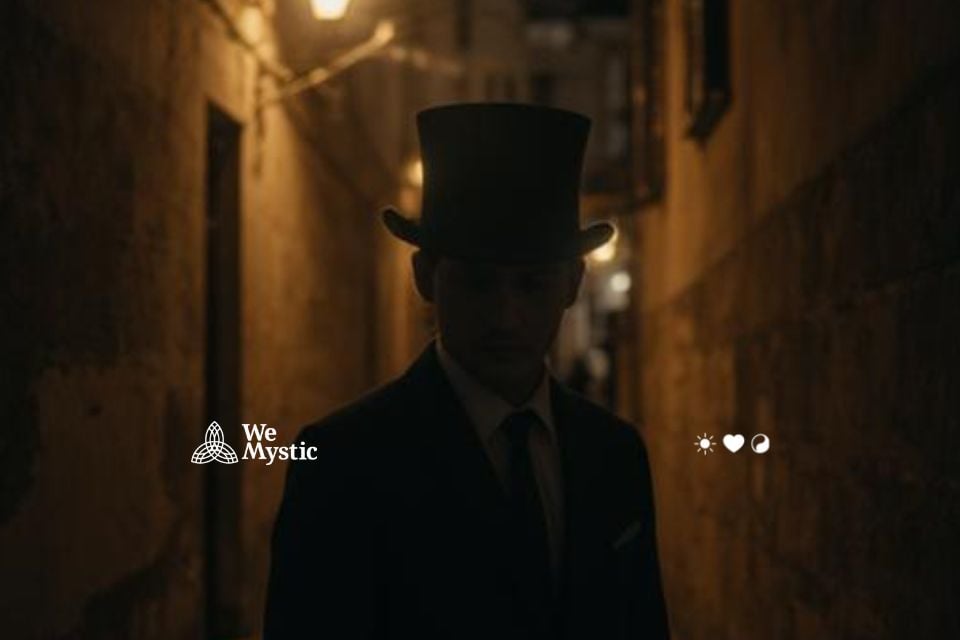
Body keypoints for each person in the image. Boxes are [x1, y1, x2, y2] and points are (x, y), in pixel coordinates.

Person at [263, 103, 670, 639]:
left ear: (572, 283)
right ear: (425, 277)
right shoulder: (344, 462)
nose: (506, 316)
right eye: (478, 283)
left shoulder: (615, 454)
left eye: (531, 284)